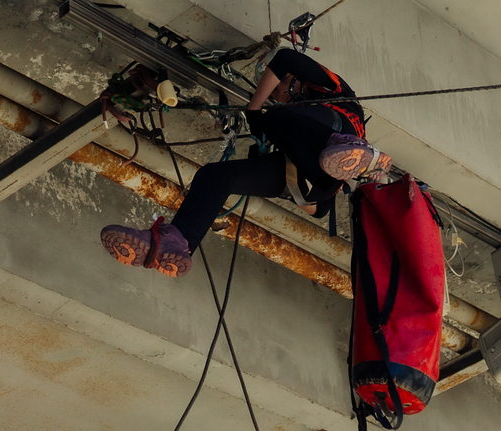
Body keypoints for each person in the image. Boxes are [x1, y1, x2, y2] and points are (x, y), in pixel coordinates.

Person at [100, 47, 391, 277]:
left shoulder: (336, 93)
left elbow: (286, 58)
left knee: (274, 118)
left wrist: (255, 110)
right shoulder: (293, 128)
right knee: (214, 177)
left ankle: (349, 150)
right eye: (276, 93)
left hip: (336, 130)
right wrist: (296, 187)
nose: (281, 95)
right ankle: (174, 242)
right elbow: (321, 209)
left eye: (282, 86)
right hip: (314, 179)